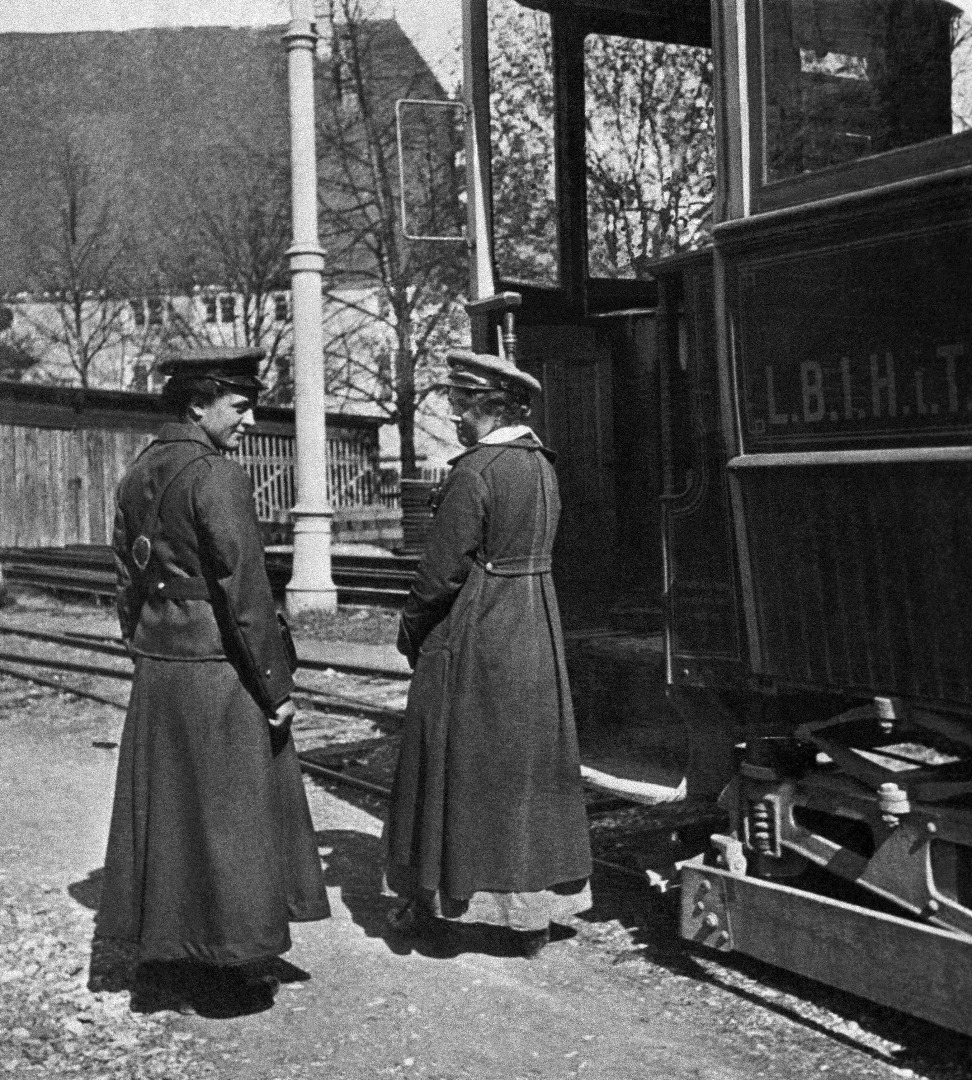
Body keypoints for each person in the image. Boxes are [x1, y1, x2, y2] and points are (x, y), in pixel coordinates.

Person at [95, 347, 329, 1011]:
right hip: (217, 667)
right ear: (199, 403)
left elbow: (125, 579)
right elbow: (246, 592)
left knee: (170, 817)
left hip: (162, 664)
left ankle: (169, 957)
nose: (251, 419)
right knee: (228, 817)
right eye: (241, 405)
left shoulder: (140, 470)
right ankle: (228, 967)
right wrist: (276, 688)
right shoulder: (216, 476)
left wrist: (145, 646)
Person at [384, 348, 592, 956]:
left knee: (453, 758)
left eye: (458, 404)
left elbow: (439, 574)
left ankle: (443, 900)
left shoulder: (475, 472)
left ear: (485, 407)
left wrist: (411, 628)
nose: (452, 415)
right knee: (528, 763)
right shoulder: (541, 467)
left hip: (478, 626)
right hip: (535, 621)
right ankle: (532, 914)